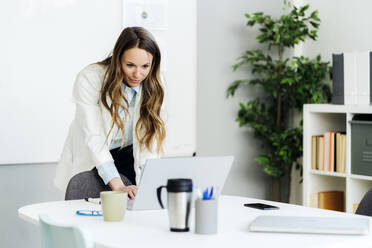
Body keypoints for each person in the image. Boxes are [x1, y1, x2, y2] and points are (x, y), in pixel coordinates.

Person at [54, 27, 166, 199]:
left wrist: (148, 184)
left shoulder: (154, 84)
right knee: (93, 212)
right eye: (130, 65)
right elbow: (94, 137)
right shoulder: (90, 78)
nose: (138, 74)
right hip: (96, 158)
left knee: (135, 211)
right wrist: (117, 184)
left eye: (145, 66)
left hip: (131, 155)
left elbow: (148, 140)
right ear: (117, 59)